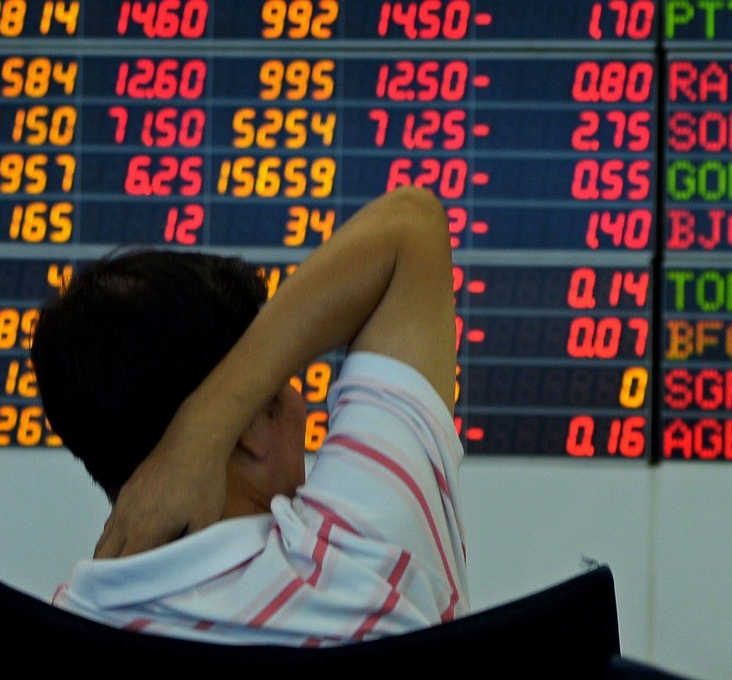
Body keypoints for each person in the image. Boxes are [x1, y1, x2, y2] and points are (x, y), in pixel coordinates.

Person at [30, 186, 469, 645]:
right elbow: (411, 227)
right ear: (250, 427)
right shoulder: (361, 564)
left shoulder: (56, 632)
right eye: (282, 382)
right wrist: (203, 428)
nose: (299, 404)